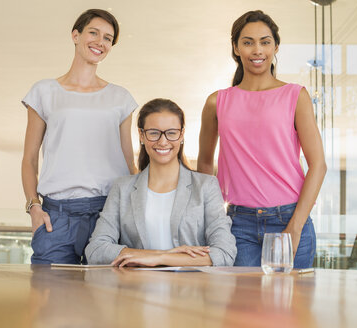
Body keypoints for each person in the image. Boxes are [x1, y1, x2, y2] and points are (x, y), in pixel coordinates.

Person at [197, 10, 327, 268]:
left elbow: (318, 165)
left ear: (275, 46)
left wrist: (295, 227)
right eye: (248, 42)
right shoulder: (217, 102)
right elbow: (203, 166)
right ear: (236, 48)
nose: (257, 50)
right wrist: (214, 220)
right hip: (237, 225)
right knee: (243, 308)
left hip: (289, 217)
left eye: (265, 42)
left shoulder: (295, 96)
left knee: (292, 306)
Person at [21, 9, 138, 264]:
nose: (100, 42)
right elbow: (29, 159)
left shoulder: (121, 98)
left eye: (108, 38)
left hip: (108, 213)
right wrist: (34, 208)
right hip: (57, 216)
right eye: (93, 33)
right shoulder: (44, 91)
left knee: (107, 300)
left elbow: (129, 163)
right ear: (76, 35)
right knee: (50, 297)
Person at [86, 98, 236, 267]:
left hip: (191, 289)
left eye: (171, 132)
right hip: (134, 290)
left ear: (182, 135)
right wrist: (159, 254)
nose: (163, 141)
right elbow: (96, 250)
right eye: (154, 133)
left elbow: (225, 252)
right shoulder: (122, 188)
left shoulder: (206, 186)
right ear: (142, 135)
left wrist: (160, 259)